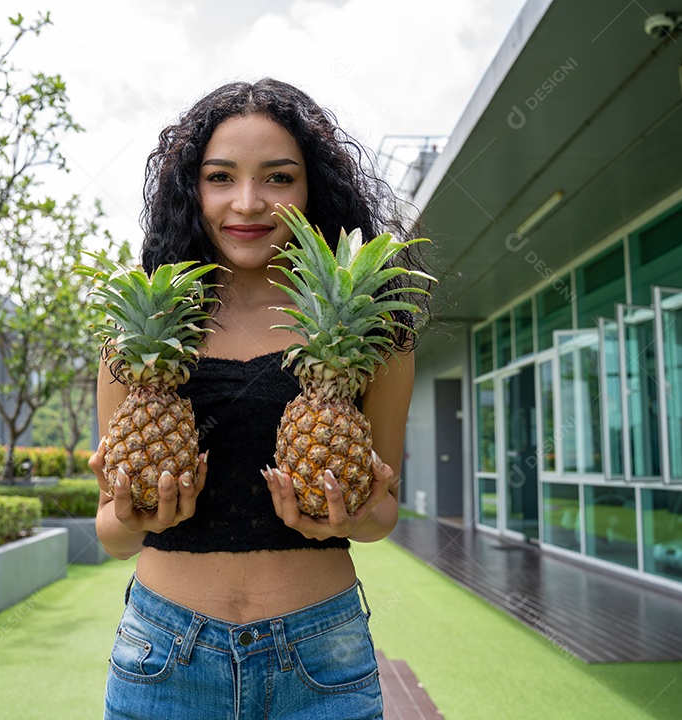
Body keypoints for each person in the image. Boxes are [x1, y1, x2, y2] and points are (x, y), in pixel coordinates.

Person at [89, 77, 428, 719]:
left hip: (320, 654)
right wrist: (133, 518)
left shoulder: (370, 329)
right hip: (164, 654)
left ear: (312, 189)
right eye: (220, 177)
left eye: (278, 177)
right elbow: (109, 531)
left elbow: (384, 511)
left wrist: (353, 517)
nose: (247, 203)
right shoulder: (140, 333)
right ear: (193, 189)